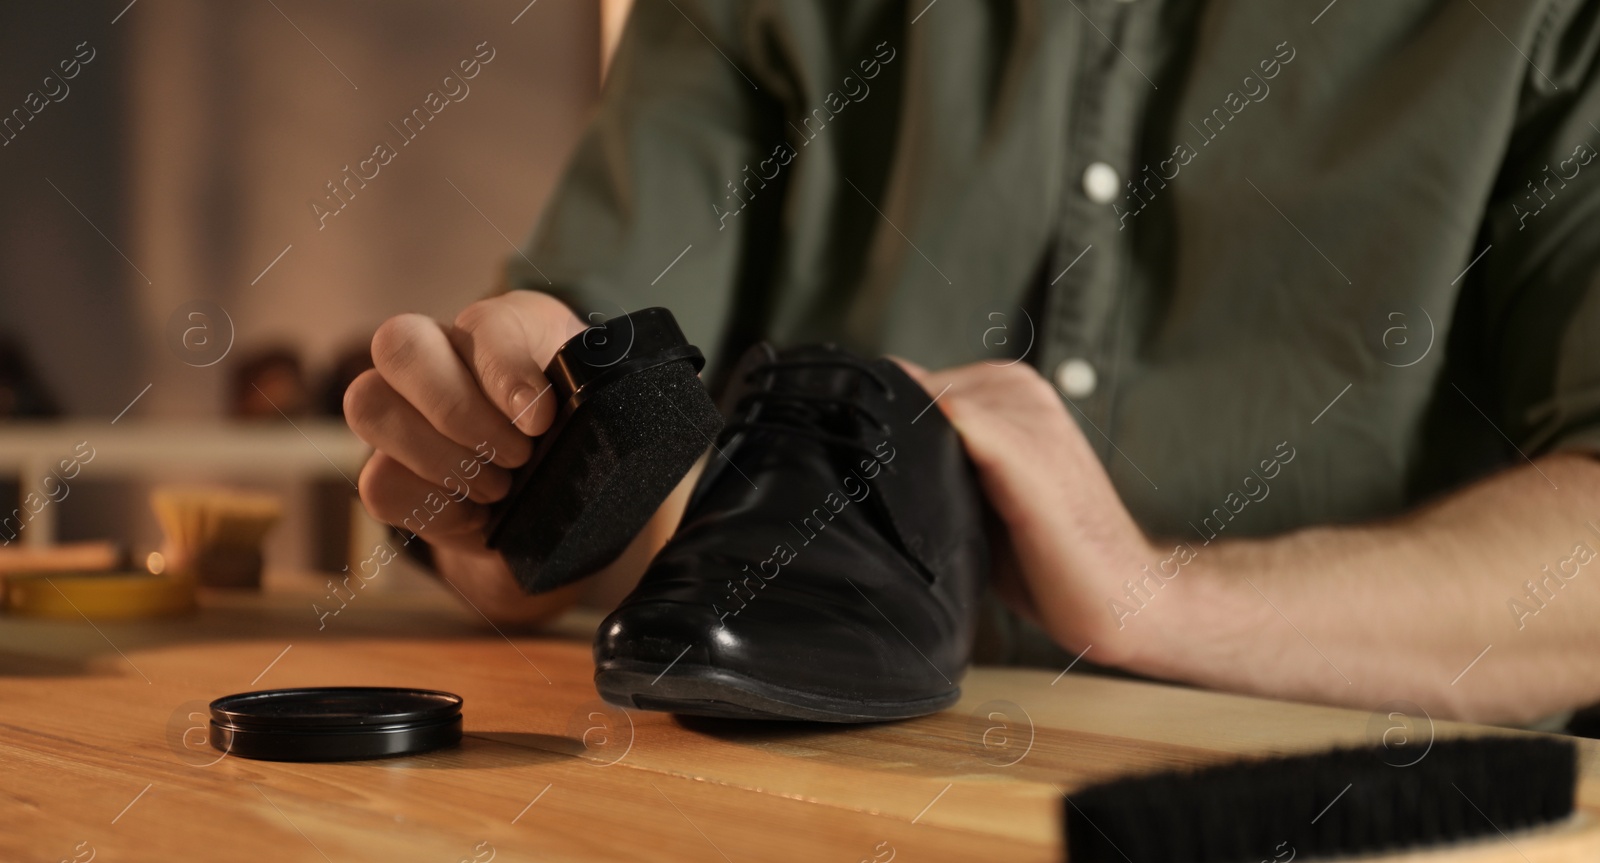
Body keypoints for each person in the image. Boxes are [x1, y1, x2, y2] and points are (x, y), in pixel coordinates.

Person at [344, 2, 1600, 726]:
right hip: (801, 828)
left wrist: (1155, 596)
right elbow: (582, 452)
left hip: (1345, 840)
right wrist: (514, 482)